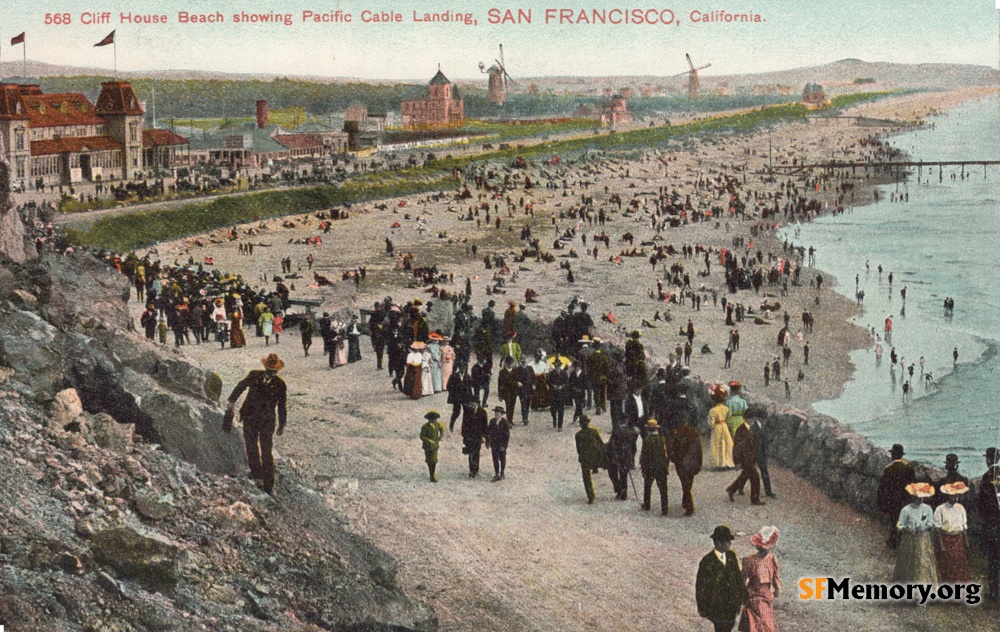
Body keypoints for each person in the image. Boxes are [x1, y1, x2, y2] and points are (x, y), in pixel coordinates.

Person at [225, 353, 288, 495]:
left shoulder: (280, 384)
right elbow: (240, 386)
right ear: (265, 367)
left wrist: (282, 424)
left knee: (266, 450)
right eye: (270, 370)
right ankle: (256, 473)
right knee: (251, 445)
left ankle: (269, 484)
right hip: (250, 416)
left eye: (274, 371)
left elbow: (282, 406)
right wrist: (231, 401)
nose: (272, 373)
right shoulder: (254, 375)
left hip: (267, 421)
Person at [696, 525, 747, 632]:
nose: (730, 543)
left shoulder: (731, 555)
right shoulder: (707, 561)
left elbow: (737, 577)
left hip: (732, 605)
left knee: (728, 627)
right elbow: (701, 587)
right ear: (719, 543)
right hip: (718, 608)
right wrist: (703, 609)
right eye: (728, 541)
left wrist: (744, 596)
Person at [893, 482, 938, 585]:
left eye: (922, 498)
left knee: (922, 562)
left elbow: (931, 523)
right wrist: (908, 530)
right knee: (909, 562)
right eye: (917, 497)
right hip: (909, 539)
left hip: (923, 539)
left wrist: (924, 527)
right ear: (912, 497)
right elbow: (899, 525)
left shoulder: (927, 508)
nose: (920, 500)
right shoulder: (906, 510)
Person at [739, 526, 781, 632]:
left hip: (766, 597)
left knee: (766, 625)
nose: (765, 551)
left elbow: (775, 577)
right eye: (762, 548)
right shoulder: (749, 560)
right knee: (757, 626)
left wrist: (777, 589)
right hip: (753, 598)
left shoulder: (772, 559)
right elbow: (741, 580)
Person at [876, 443, 916, 549]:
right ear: (902, 455)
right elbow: (912, 485)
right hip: (904, 499)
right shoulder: (908, 468)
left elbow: (883, 487)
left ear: (893, 455)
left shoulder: (888, 469)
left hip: (892, 499)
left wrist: (881, 501)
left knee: (894, 520)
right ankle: (902, 541)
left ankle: (893, 540)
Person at [934, 482, 971, 584]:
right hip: (946, 538)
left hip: (958, 538)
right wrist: (941, 544)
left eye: (956, 496)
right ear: (948, 496)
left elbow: (964, 527)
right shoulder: (940, 509)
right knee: (946, 563)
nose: (954, 498)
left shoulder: (960, 508)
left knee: (959, 563)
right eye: (952, 496)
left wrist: (966, 541)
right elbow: (937, 529)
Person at [667, 417, 703, 515]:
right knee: (689, 482)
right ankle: (685, 500)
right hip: (693, 462)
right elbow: (699, 450)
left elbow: (670, 448)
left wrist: (673, 459)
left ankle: (689, 506)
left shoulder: (674, 433)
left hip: (681, 462)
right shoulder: (694, 433)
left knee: (684, 483)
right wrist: (699, 463)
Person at [727, 415, 765, 506]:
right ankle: (755, 499)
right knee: (755, 477)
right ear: (747, 419)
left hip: (748, 459)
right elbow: (737, 448)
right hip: (746, 460)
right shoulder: (743, 431)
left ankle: (731, 489)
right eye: (751, 418)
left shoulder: (745, 429)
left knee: (745, 475)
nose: (753, 420)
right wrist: (737, 461)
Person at [978, 447, 1000, 600]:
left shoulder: (987, 477)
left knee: (993, 559)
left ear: (988, 460)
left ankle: (993, 592)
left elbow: (982, 503)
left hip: (992, 524)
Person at [639, 419, 670, 515]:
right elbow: (667, 455)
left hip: (649, 467)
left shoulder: (646, 440)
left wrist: (643, 468)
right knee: (663, 489)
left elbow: (643, 456)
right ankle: (664, 508)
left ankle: (647, 504)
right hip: (661, 467)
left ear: (648, 429)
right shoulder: (662, 440)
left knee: (647, 486)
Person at [575, 415, 604, 504]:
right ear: (588, 423)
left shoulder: (578, 435)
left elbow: (578, 449)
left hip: (585, 458)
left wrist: (580, 456)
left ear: (580, 424)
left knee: (586, 476)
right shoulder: (594, 431)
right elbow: (601, 444)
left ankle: (590, 495)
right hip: (597, 457)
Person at [605, 422, 638, 500]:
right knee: (624, 475)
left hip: (617, 455)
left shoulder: (616, 431)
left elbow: (611, 443)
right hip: (627, 456)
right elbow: (634, 447)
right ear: (627, 421)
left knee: (613, 473)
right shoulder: (631, 432)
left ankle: (619, 489)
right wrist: (631, 457)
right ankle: (624, 494)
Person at [708, 384, 735, 469]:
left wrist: (712, 426)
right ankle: (727, 462)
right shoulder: (726, 409)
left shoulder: (712, 410)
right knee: (727, 443)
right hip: (724, 426)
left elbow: (711, 423)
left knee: (717, 444)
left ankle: (719, 463)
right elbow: (729, 418)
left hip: (717, 426)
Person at [461, 400, 488, 479]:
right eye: (471, 404)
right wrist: (464, 436)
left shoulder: (483, 412)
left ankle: (476, 469)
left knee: (476, 452)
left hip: (478, 436)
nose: (472, 405)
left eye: (473, 403)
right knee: (470, 453)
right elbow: (464, 424)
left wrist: (485, 436)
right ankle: (471, 470)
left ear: (477, 404)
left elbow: (485, 425)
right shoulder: (467, 412)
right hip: (469, 436)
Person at [420, 411, 445, 483]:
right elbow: (422, 436)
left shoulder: (437, 425)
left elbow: (442, 429)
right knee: (429, 460)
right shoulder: (425, 427)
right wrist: (429, 440)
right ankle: (431, 474)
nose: (434, 420)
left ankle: (432, 474)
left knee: (434, 460)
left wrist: (440, 436)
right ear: (429, 419)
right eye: (433, 419)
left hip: (435, 446)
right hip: (428, 446)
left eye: (435, 419)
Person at [488, 405, 511, 481]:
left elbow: (507, 436)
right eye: (496, 412)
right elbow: (489, 432)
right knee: (495, 459)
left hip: (501, 444)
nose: (496, 414)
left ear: (502, 414)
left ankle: (502, 473)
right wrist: (489, 441)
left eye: (498, 413)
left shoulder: (505, 423)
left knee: (502, 459)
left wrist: (504, 446)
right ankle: (496, 474)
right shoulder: (492, 421)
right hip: (494, 443)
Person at [498, 356, 519, 425]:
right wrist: (500, 395)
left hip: (514, 391)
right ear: (506, 363)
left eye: (511, 363)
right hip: (506, 391)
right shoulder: (502, 372)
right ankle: (508, 420)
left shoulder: (515, 371)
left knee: (512, 405)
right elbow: (500, 384)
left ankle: (510, 419)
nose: (509, 364)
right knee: (508, 405)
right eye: (508, 363)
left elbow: (517, 380)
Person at [516, 357, 535, 426]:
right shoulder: (518, 369)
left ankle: (526, 416)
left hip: (529, 389)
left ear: (526, 361)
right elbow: (515, 378)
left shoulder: (530, 368)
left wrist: (533, 384)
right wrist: (517, 382)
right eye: (522, 362)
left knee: (528, 403)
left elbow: (533, 377)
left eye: (524, 361)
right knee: (523, 403)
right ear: (520, 362)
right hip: (522, 389)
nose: (523, 363)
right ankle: (524, 418)